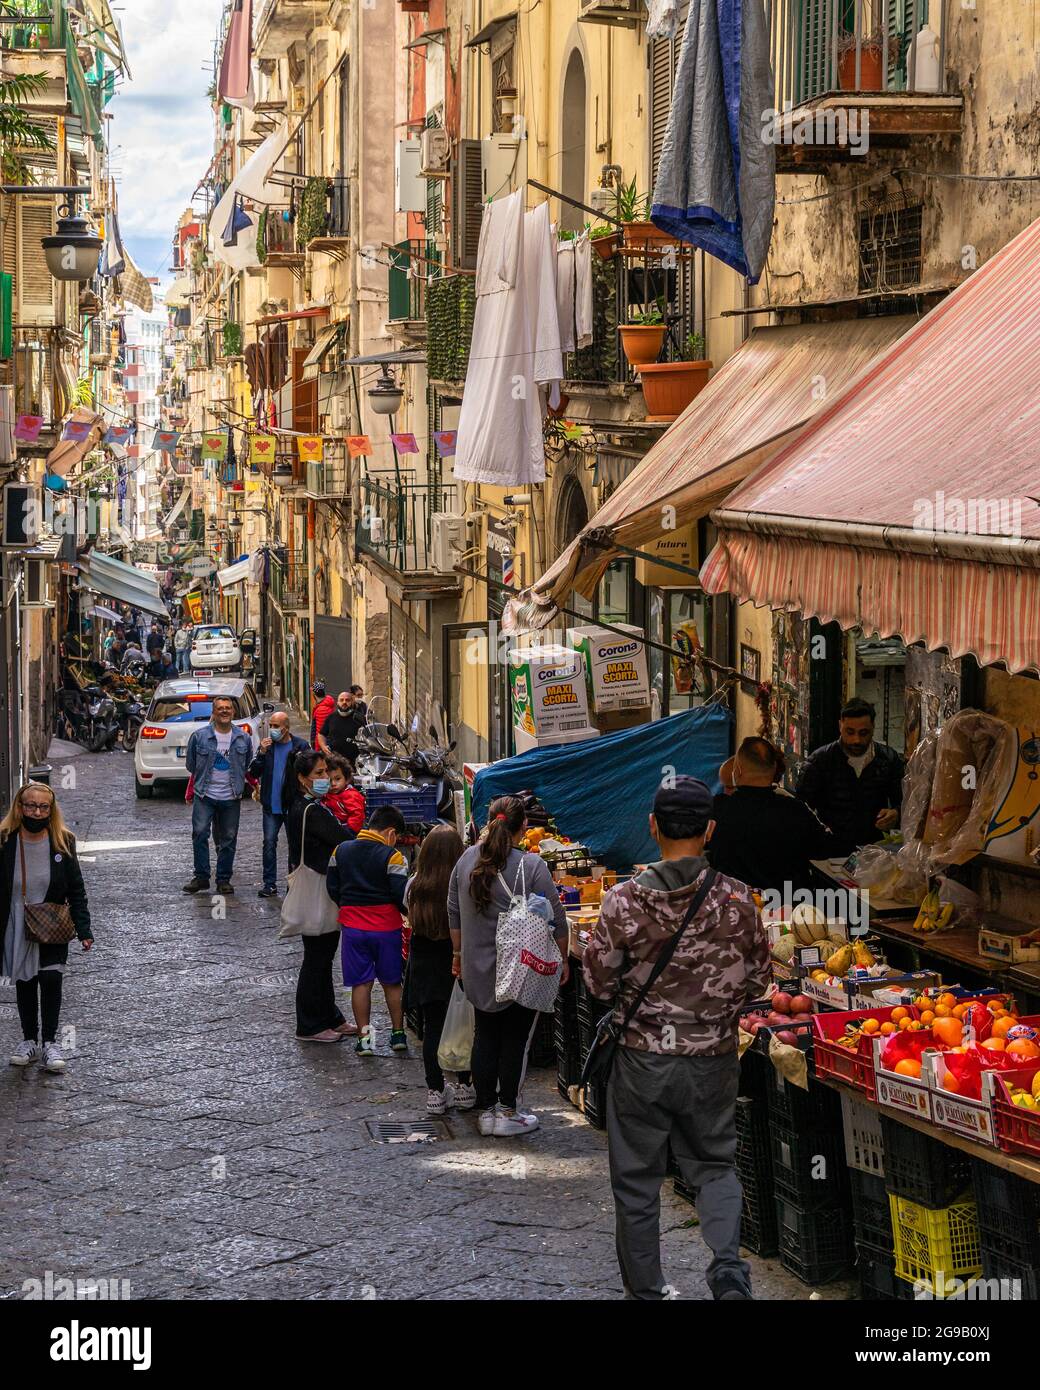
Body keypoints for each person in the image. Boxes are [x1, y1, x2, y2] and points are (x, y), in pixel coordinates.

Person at [583, 776, 770, 1302]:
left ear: (652, 827)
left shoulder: (622, 902)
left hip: (641, 1063)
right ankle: (728, 1271)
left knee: (637, 1182)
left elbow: (598, 983)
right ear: (709, 830)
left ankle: (646, 1291)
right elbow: (759, 982)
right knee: (714, 1166)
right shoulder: (738, 900)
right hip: (711, 1059)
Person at [447, 795, 568, 1137]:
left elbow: (453, 911)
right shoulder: (531, 866)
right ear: (524, 827)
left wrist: (458, 955)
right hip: (520, 969)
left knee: (485, 1036)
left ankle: (486, 1112)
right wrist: (560, 958)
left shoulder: (465, 861)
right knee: (515, 1040)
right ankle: (508, 1111)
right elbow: (557, 918)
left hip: (477, 969)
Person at [1, 783, 93, 1074]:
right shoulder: (5, 840)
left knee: (51, 981)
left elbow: (76, 888)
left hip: (52, 922)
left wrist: (84, 928)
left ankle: (51, 1042)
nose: (36, 812)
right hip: (16, 921)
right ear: (19, 807)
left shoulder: (63, 841)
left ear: (51, 810)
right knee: (26, 982)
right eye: (31, 805)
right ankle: (29, 1040)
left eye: (43, 807)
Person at [286, 750, 358, 1042]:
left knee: (324, 957)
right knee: (317, 958)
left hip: (320, 888)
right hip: (316, 888)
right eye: (318, 773)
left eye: (326, 771)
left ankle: (330, 1016)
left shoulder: (310, 805)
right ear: (303, 779)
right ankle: (310, 1024)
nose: (325, 778)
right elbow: (344, 839)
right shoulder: (311, 811)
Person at [327, 805, 409, 1056]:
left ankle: (366, 1039)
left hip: (353, 929)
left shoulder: (340, 850)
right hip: (387, 928)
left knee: (361, 984)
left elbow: (332, 887)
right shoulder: (393, 856)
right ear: (391, 833)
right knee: (392, 983)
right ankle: (397, 1035)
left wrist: (349, 906)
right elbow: (400, 895)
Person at [404, 826, 475, 1115]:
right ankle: (464, 1086)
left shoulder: (414, 885)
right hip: (456, 962)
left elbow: (406, 915)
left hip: (424, 964)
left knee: (432, 1028)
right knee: (463, 1026)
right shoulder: (465, 884)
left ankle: (435, 1091)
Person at [707, 737, 837, 892]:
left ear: (738, 770)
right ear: (774, 769)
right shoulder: (796, 810)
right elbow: (824, 848)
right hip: (788, 907)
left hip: (735, 907)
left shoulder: (715, 810)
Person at [796, 697, 904, 856]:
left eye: (863, 733)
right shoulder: (819, 762)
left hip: (874, 853)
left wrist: (896, 813)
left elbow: (905, 802)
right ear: (840, 726)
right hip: (830, 853)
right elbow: (801, 811)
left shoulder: (889, 759)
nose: (856, 740)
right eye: (850, 732)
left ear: (873, 728)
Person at [183, 695, 251, 895]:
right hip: (205, 795)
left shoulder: (242, 738)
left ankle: (223, 879)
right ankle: (202, 877)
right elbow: (191, 765)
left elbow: (245, 764)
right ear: (213, 712)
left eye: (228, 708)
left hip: (231, 797)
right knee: (200, 833)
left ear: (233, 712)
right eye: (220, 708)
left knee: (228, 838)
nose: (224, 711)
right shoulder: (199, 737)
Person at [249, 710, 309, 898]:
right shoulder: (268, 748)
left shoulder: (300, 746)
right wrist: (261, 753)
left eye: (276, 726)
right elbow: (253, 773)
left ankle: (294, 884)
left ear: (286, 728)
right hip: (270, 805)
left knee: (295, 845)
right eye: (271, 726)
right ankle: (269, 884)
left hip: (292, 805)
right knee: (269, 843)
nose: (273, 730)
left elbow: (310, 769)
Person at [318, 689, 366, 768]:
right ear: (337, 702)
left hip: (354, 761)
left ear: (352, 702)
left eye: (347, 700)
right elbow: (321, 734)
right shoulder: (331, 717)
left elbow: (368, 735)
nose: (344, 702)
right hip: (334, 760)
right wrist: (323, 746)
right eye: (341, 700)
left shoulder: (359, 717)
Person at [323, 754, 366, 833]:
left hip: (349, 832)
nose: (333, 783)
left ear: (346, 779)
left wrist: (349, 831)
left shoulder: (350, 795)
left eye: (338, 779)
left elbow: (357, 815)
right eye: (328, 780)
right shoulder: (325, 794)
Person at [309, 680, 335, 747]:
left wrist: (317, 745)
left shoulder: (322, 709)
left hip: (323, 746)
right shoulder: (325, 704)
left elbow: (321, 732)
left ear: (314, 694)